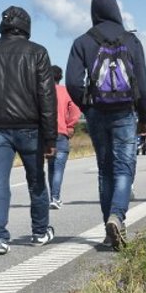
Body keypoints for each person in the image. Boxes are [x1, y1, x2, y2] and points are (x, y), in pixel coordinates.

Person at [66, 0, 146, 250]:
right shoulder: (131, 41)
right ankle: (118, 217)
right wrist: (144, 117)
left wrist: (87, 106)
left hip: (97, 113)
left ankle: (108, 228)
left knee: (105, 170)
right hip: (125, 112)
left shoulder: (83, 41)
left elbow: (71, 81)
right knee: (124, 167)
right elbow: (144, 85)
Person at [0, 6, 56, 255]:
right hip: (30, 128)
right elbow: (47, 97)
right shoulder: (37, 52)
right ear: (26, 26)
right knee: (36, 181)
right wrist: (50, 137)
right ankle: (40, 232)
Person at [48, 65, 81, 209]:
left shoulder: (41, 91)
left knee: (50, 167)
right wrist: (70, 125)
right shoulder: (65, 91)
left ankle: (52, 197)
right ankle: (55, 197)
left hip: (46, 134)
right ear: (60, 77)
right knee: (58, 168)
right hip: (61, 133)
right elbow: (75, 109)